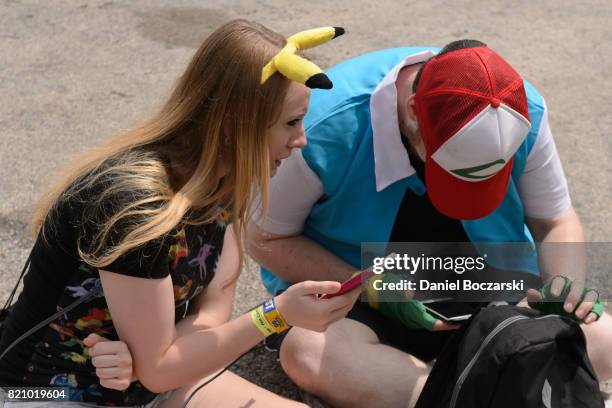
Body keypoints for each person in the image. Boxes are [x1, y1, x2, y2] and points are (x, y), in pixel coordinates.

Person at [0, 20, 360, 407]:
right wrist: (276, 314)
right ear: (233, 125)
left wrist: (156, 358)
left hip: (146, 385)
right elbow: (164, 366)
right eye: (291, 122)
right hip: (38, 391)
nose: (301, 139)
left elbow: (212, 313)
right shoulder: (135, 208)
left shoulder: (222, 183)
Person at [247, 40, 612, 407]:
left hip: (490, 291)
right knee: (308, 351)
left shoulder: (520, 111)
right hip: (361, 302)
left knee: (607, 339)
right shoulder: (322, 123)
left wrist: (562, 289)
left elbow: (554, 220)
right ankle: (500, 389)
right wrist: (372, 287)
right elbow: (264, 239)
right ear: (412, 113)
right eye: (452, 176)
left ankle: (449, 394)